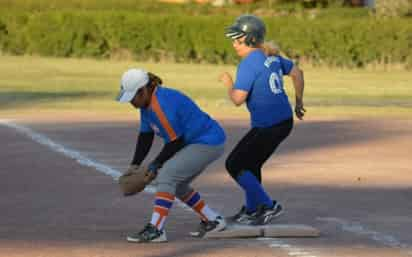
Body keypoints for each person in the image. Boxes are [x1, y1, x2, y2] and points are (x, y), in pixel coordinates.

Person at [117, 68, 226, 242]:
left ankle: (156, 229)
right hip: (193, 141)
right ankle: (212, 220)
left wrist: (155, 165)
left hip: (207, 141)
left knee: (167, 175)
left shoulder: (161, 104)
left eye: (132, 97)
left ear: (143, 90)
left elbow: (176, 141)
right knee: (177, 183)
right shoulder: (146, 104)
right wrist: (134, 164)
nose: (131, 102)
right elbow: (146, 135)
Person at [219, 14, 306, 226]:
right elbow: (297, 73)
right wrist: (298, 102)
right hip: (282, 121)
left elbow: (238, 99)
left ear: (249, 39)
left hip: (269, 125)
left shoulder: (248, 63)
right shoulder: (271, 56)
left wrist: (228, 84)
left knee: (234, 164)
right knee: (251, 164)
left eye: (237, 39)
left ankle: (268, 205)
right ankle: (252, 209)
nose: (234, 44)